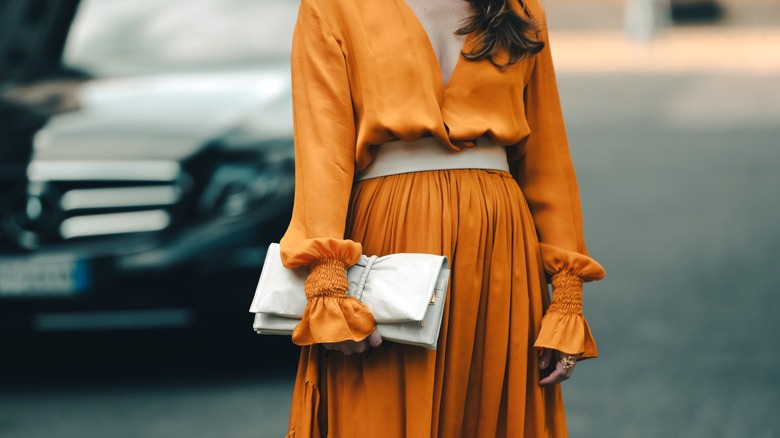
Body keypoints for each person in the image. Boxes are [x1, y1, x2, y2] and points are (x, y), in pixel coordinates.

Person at [278, 0, 605, 436]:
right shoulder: (333, 6)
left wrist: (566, 293)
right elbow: (323, 151)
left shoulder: (519, 6)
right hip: (390, 239)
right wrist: (327, 281)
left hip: (499, 251)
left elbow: (547, 154)